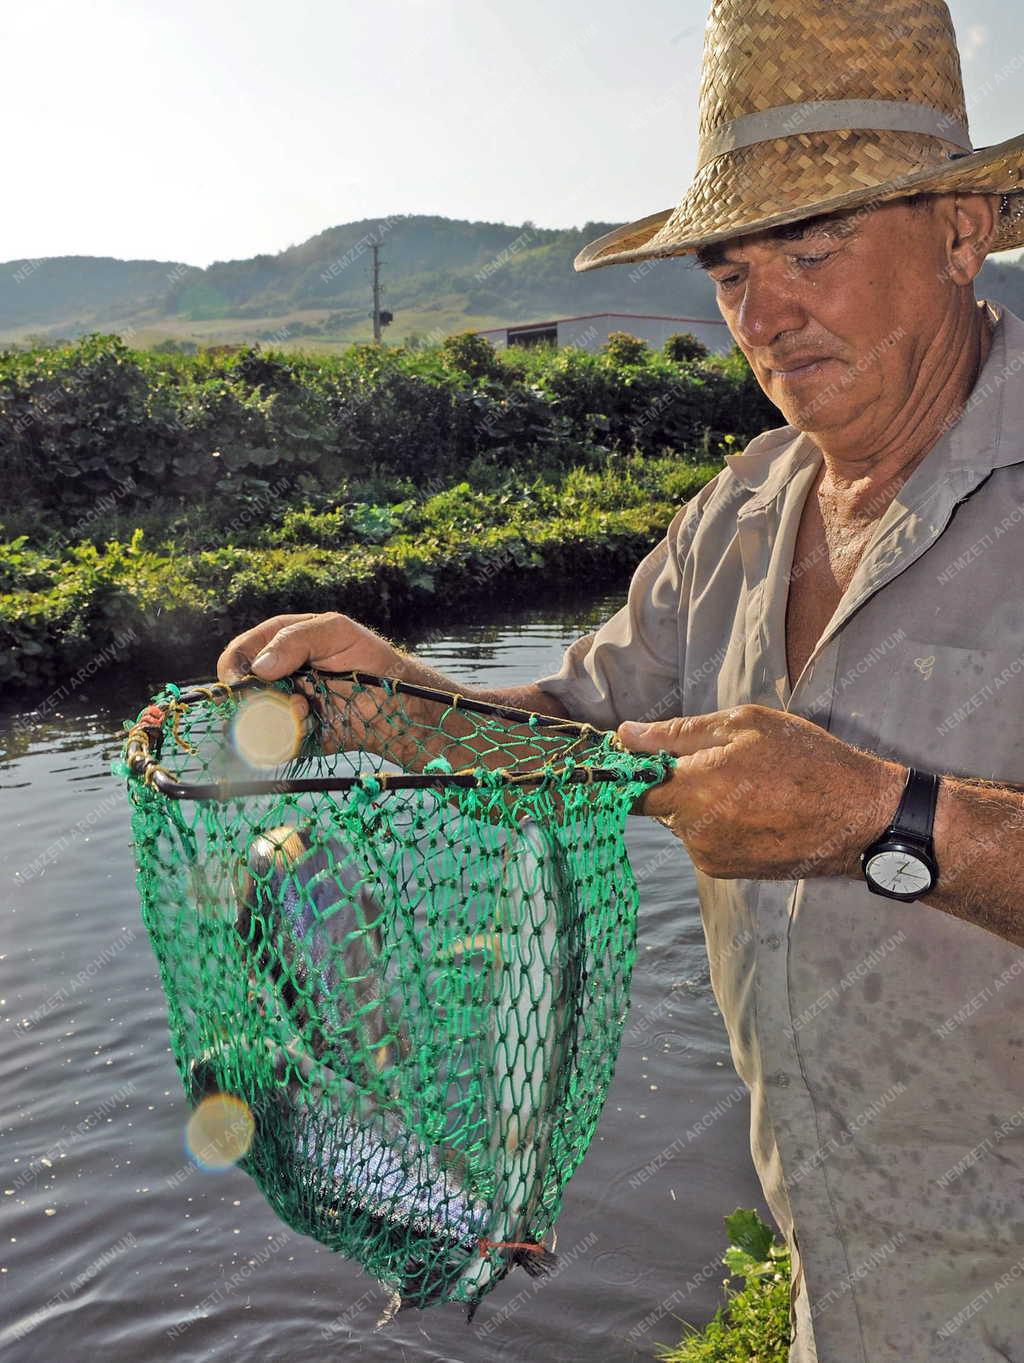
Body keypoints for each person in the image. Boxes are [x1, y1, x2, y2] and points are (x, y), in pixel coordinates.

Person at [218, 2, 1024, 1358]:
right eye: (727, 274)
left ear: (963, 228)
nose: (764, 315)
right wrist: (397, 704)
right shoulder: (739, 514)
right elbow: (581, 737)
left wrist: (881, 821)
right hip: (862, 1292)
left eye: (813, 247)